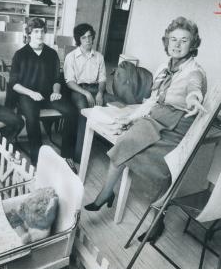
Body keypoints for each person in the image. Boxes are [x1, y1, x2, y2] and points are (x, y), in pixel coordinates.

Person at [85, 16, 207, 241]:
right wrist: (131, 118)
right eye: (173, 39)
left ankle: (157, 220)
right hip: (156, 119)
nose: (177, 44)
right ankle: (105, 194)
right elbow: (151, 101)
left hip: (178, 128)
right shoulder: (163, 68)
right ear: (166, 41)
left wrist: (194, 97)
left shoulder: (194, 72)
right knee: (123, 143)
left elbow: (194, 88)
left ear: (193, 44)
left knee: (164, 172)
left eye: (184, 40)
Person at [9, 17, 78, 166]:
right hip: (26, 95)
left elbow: (56, 79)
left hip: (48, 95)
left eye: (41, 31)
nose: (39, 34)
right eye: (35, 31)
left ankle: (67, 155)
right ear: (29, 33)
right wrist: (31, 93)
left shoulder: (51, 54)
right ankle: (37, 158)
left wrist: (56, 91)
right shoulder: (20, 54)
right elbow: (14, 84)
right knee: (32, 117)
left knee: (72, 111)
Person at [64, 23, 113, 161]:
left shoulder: (99, 57)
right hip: (78, 90)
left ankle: (110, 146)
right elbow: (69, 82)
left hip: (96, 89)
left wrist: (100, 93)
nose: (88, 40)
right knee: (84, 112)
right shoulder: (71, 57)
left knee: (114, 105)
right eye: (84, 37)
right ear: (78, 39)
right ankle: (79, 155)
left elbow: (103, 79)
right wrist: (86, 93)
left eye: (90, 37)